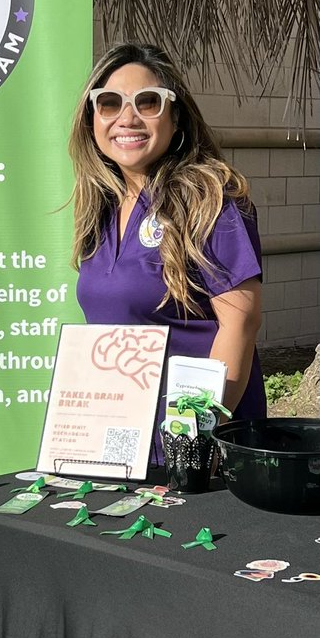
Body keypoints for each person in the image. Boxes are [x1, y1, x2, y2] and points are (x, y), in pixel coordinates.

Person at [68, 42, 265, 428]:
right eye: (109, 103)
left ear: (175, 118)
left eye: (148, 102)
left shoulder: (211, 202)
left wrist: (197, 435)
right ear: (91, 120)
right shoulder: (102, 208)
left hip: (190, 446)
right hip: (116, 435)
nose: (127, 118)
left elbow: (240, 323)